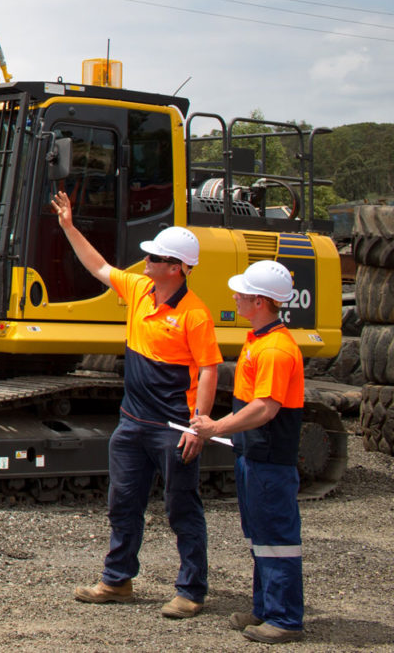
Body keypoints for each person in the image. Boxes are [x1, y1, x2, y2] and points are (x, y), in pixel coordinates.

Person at [51, 191, 221, 619]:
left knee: (182, 508)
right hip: (132, 424)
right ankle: (117, 580)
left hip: (172, 429)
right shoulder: (141, 289)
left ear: (178, 268)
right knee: (122, 503)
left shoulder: (195, 315)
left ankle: (191, 590)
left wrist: (197, 423)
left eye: (156, 257)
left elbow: (208, 369)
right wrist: (69, 226)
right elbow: (99, 266)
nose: (146, 260)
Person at [191, 260, 306, 645]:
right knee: (261, 535)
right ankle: (265, 609)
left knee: (276, 538)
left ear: (259, 301)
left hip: (268, 459)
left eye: (241, 292)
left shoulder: (274, 349)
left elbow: (264, 408)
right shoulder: (260, 339)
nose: (235, 296)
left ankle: (285, 618)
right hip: (255, 456)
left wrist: (214, 428)